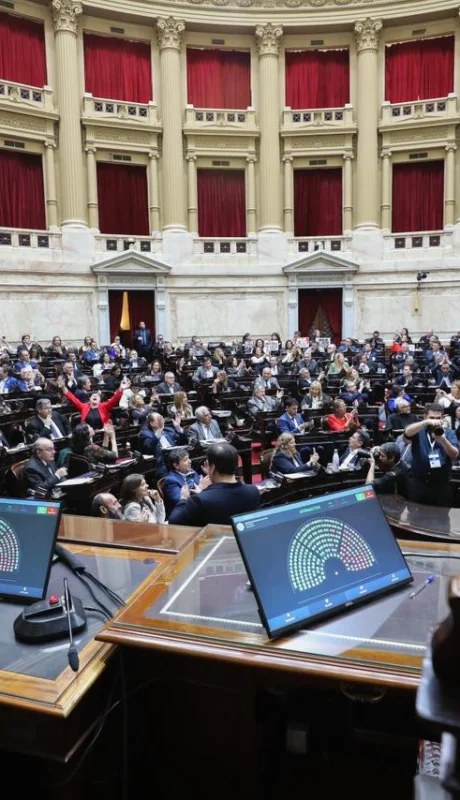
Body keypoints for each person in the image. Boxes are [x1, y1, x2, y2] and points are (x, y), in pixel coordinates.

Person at [169, 443, 261, 526]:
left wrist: (183, 499)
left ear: (212, 468)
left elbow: (174, 521)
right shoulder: (253, 491)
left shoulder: (200, 500)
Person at [404, 402, 459, 506]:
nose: (435, 421)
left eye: (438, 418)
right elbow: (407, 433)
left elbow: (454, 455)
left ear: (442, 417)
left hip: (440, 486)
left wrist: (443, 441)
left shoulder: (449, 433)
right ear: (425, 416)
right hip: (418, 484)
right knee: (414, 518)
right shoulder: (418, 431)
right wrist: (425, 423)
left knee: (441, 519)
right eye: (432, 418)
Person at [58, 375, 130, 428]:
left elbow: (114, 399)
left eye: (97, 396)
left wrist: (121, 389)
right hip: (87, 435)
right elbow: (72, 398)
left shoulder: (104, 406)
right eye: (93, 395)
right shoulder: (84, 406)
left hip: (102, 433)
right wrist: (63, 387)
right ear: (89, 399)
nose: (95, 396)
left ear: (100, 401)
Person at [162, 448, 210, 518]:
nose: (190, 461)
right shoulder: (171, 481)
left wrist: (209, 474)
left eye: (189, 458)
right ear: (176, 465)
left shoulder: (190, 470)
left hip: (196, 508)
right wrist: (200, 487)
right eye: (185, 460)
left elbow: (203, 485)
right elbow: (180, 502)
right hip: (181, 515)